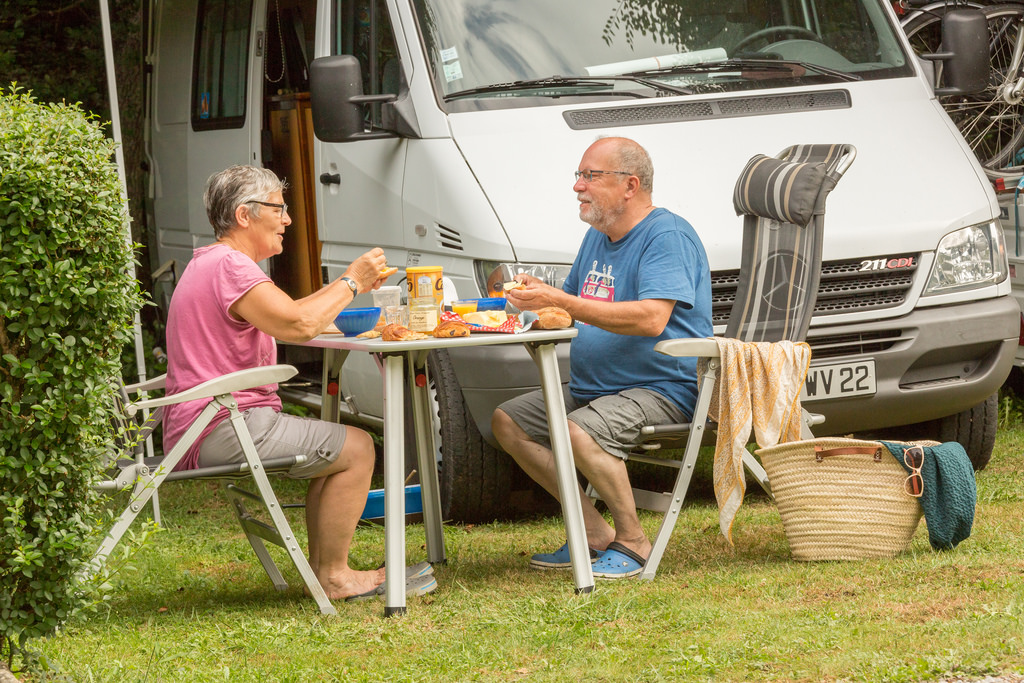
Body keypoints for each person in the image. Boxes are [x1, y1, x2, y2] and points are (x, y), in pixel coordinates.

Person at [163, 165, 396, 601]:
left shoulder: (212, 262)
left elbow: (294, 314)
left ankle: (327, 573)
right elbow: (298, 325)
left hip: (203, 424)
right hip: (222, 425)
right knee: (359, 448)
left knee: (338, 450)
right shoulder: (231, 266)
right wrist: (351, 281)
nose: (287, 219)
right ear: (244, 215)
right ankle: (334, 576)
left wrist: (347, 292)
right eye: (279, 209)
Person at [491, 137, 712, 578]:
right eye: (579, 175)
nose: (578, 186)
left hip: (663, 388)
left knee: (578, 430)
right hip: (596, 390)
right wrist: (530, 307)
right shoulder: (597, 237)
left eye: (591, 176)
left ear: (630, 185)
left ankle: (634, 541)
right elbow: (570, 308)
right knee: (509, 421)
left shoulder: (666, 236)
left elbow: (652, 318)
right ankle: (592, 532)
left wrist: (560, 300)